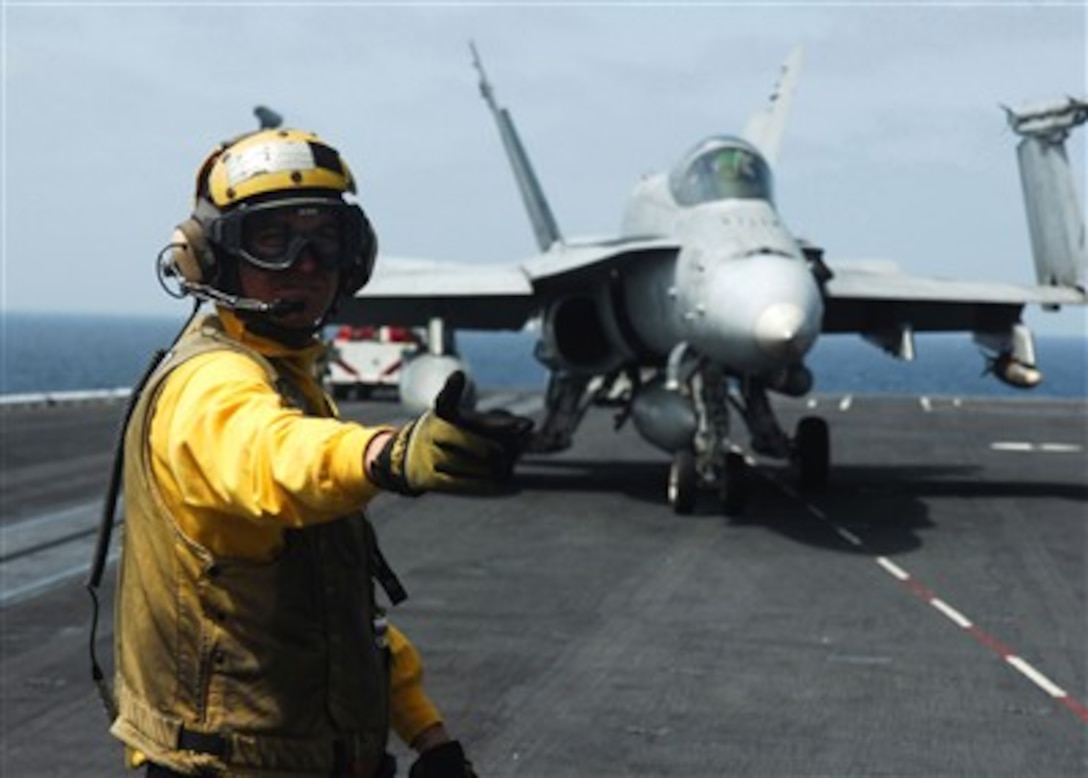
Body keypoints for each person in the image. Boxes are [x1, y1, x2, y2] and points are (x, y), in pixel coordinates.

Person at [109, 128, 532, 777]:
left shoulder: (291, 378)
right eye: (272, 240)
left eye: (323, 240)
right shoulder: (208, 383)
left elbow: (339, 613)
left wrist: (427, 733)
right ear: (210, 258)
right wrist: (387, 454)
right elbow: (269, 457)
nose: (306, 265)